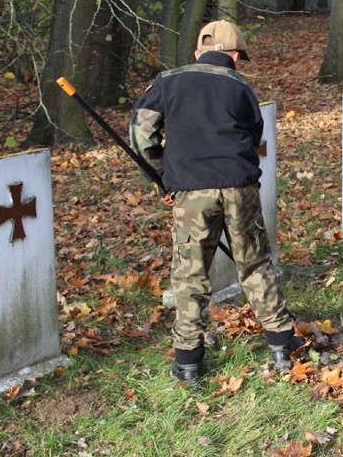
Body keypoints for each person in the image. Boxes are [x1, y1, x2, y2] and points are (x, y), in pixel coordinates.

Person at [129, 20, 301, 382]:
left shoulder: (167, 82)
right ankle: (282, 346)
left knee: (190, 275)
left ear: (198, 52)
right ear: (234, 55)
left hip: (192, 193)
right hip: (240, 187)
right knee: (255, 264)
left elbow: (141, 132)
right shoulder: (240, 86)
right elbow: (255, 135)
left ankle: (189, 361)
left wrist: (164, 175)